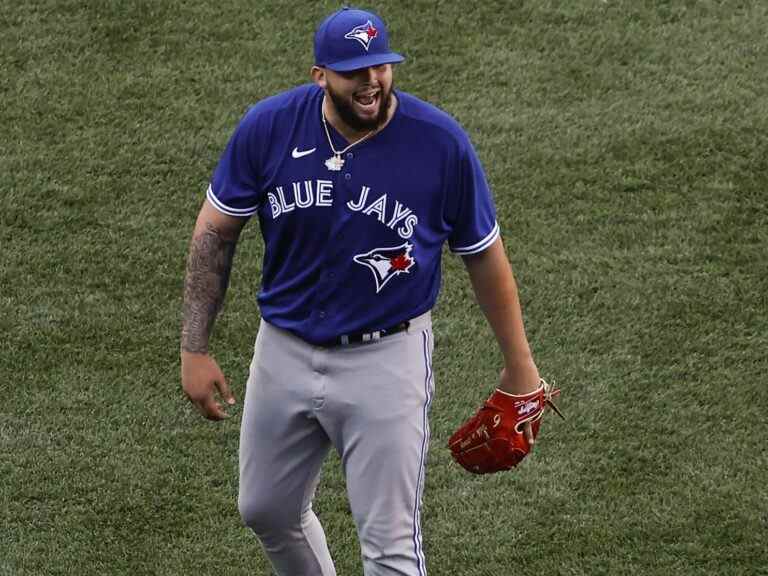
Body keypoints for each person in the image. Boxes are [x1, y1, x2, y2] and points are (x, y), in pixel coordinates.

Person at [180, 6, 540, 576]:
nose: (371, 81)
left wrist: (521, 367)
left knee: (391, 550)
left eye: (380, 66)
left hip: (387, 360)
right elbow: (213, 234)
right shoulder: (269, 127)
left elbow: (485, 257)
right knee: (266, 508)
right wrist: (194, 348)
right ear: (321, 75)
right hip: (284, 350)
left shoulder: (439, 144)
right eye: (355, 71)